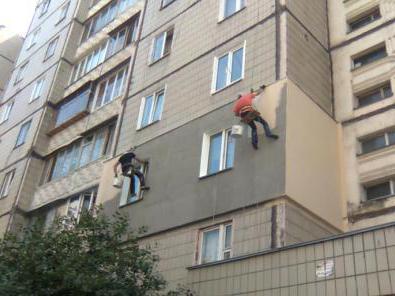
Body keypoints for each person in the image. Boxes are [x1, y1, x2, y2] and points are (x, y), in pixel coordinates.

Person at [233, 85, 278, 149]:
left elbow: (236, 114)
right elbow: (258, 93)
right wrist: (262, 88)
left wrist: (242, 115)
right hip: (250, 112)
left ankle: (254, 143)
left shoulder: (236, 104)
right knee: (264, 123)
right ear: (243, 95)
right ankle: (269, 134)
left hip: (244, 116)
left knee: (253, 128)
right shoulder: (248, 95)